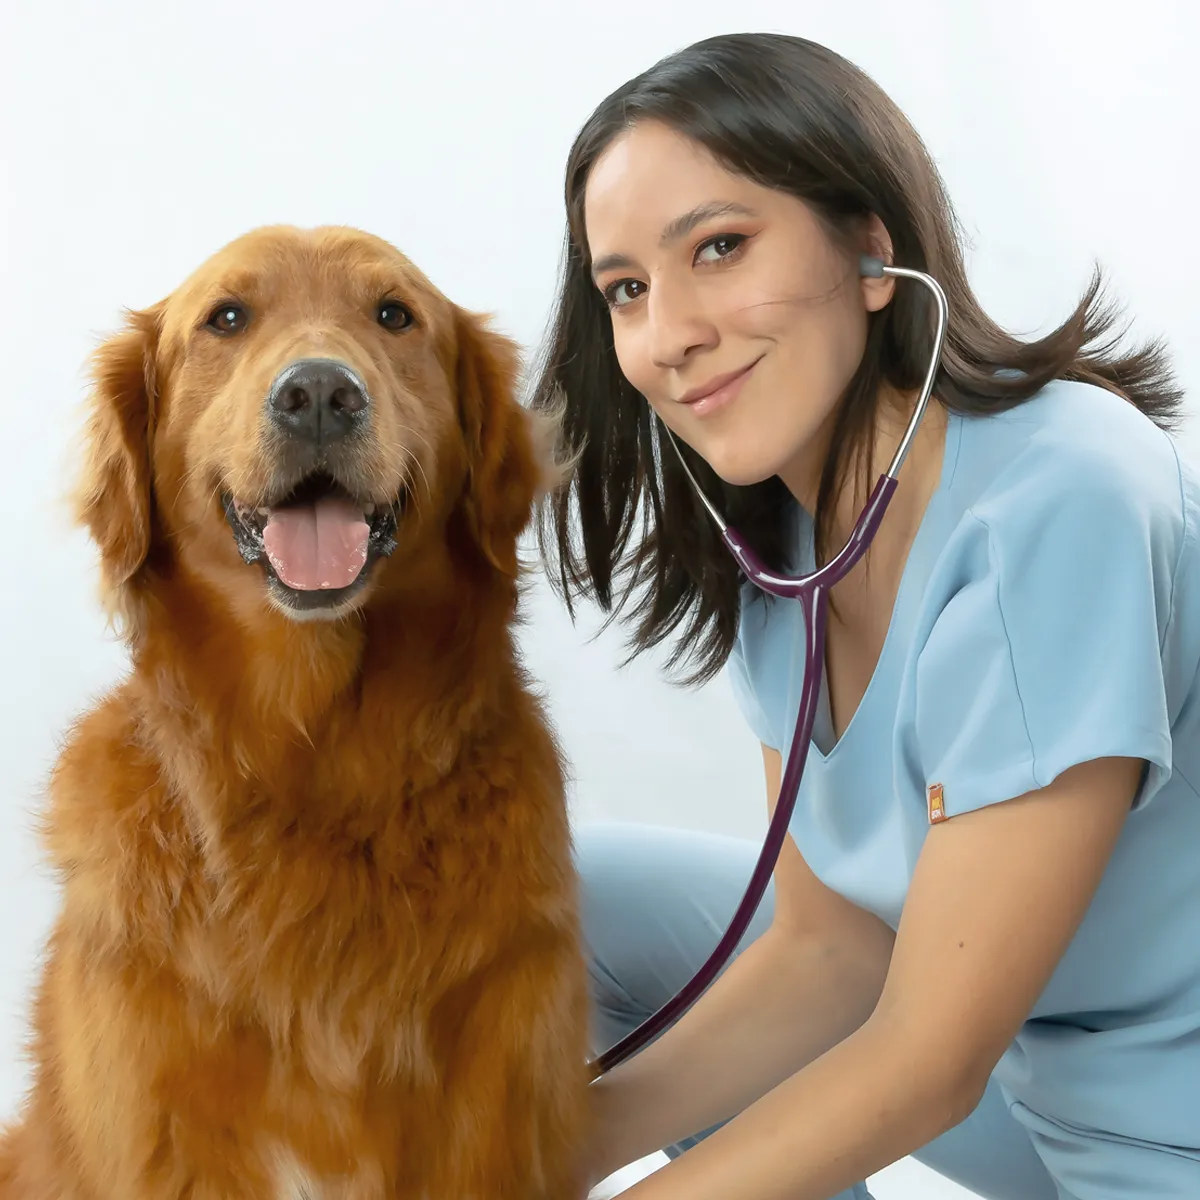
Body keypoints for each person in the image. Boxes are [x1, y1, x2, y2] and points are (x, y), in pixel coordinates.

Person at [528, 31, 1200, 1200]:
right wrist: (502, 1169)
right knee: (567, 895)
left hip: (1163, 1131)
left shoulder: (1062, 499)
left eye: (720, 248)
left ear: (872, 254)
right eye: (626, 289)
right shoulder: (782, 567)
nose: (669, 334)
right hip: (1031, 1087)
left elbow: (927, 1060)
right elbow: (833, 953)